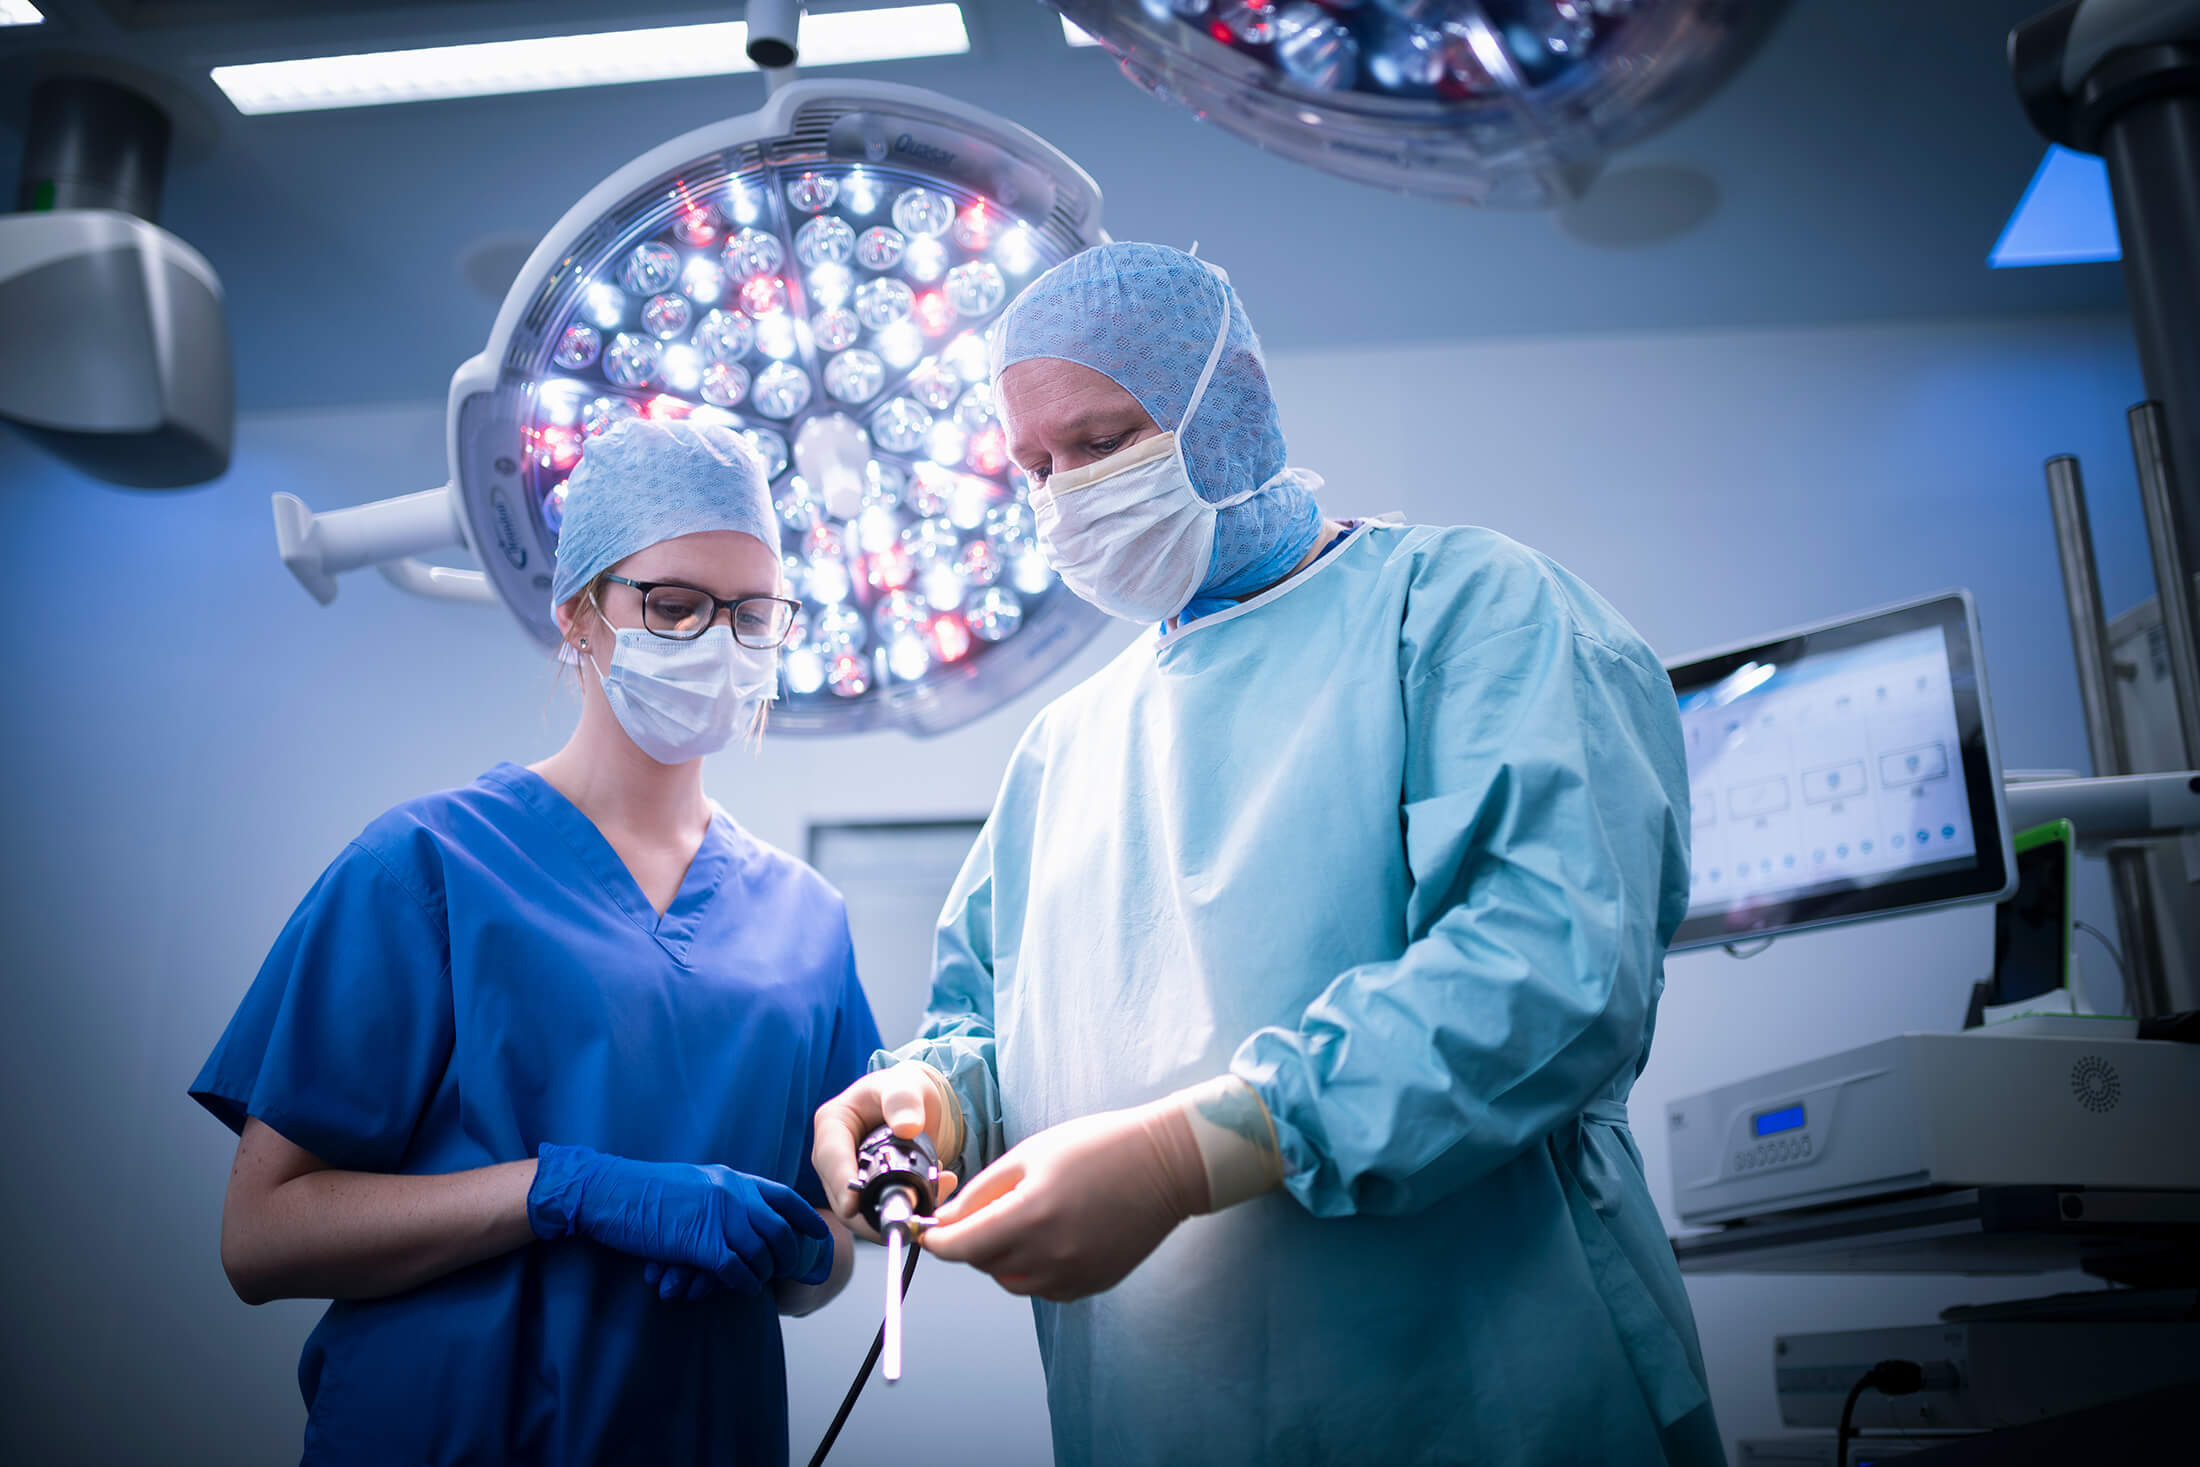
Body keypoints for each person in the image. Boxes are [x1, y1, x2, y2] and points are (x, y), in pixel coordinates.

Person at [813, 243, 1722, 1465]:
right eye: (1032, 467)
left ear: (1223, 411)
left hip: (1481, 1398)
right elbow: (991, 1022)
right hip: (1149, 1414)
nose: (1062, 494)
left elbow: (1546, 972)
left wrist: (1187, 1156)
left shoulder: (1463, 612)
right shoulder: (1064, 748)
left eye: (1097, 443)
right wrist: (924, 1105)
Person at [193, 418, 882, 1467]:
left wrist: (797, 1250)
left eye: (753, 615)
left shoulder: (806, 924)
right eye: (674, 604)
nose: (718, 643)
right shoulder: (425, 865)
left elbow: (821, 1252)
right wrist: (565, 1192)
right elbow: (262, 1238)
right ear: (577, 617)